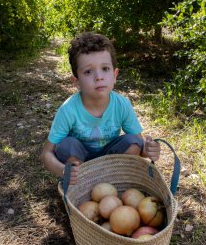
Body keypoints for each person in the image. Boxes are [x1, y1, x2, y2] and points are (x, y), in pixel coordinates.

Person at [40, 32, 160, 185]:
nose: (99, 77)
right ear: (76, 81)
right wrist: (63, 171)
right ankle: (81, 183)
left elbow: (140, 148)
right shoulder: (68, 110)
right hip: (80, 160)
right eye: (88, 71)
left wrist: (150, 150)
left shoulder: (121, 104)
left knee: (133, 141)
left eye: (105, 68)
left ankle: (113, 181)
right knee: (67, 145)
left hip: (110, 160)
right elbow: (46, 154)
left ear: (115, 74)